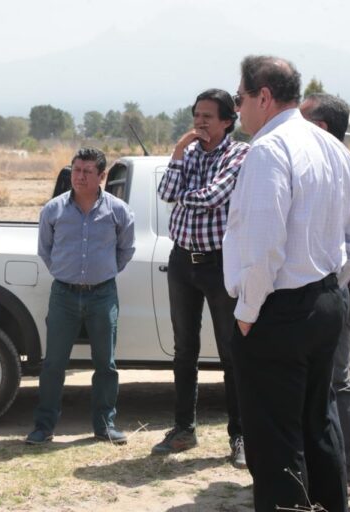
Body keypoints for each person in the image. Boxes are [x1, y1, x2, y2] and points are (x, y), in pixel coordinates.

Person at [224, 56, 350, 512]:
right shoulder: (332, 147)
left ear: (263, 96)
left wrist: (248, 314)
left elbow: (264, 246)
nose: (238, 110)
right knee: (318, 423)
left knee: (275, 443)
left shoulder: (269, 150)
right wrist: (331, 287)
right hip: (326, 301)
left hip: (279, 311)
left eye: (239, 99)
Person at [154, 89, 249, 468]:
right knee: (184, 349)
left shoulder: (239, 154)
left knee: (231, 351)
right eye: (196, 114)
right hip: (182, 262)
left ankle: (240, 436)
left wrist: (182, 193)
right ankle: (183, 429)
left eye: (208, 116)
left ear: (228, 121)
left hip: (219, 263)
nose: (200, 122)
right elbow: (165, 192)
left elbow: (214, 195)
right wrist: (177, 154)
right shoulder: (188, 153)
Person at [25, 147, 135, 446]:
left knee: (105, 363)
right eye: (76, 170)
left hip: (103, 295)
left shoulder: (117, 210)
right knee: (54, 364)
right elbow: (45, 250)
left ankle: (105, 425)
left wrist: (104, 273)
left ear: (102, 176)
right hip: (63, 294)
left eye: (88, 171)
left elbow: (126, 250)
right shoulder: (54, 210)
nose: (80, 176)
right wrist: (66, 273)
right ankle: (44, 426)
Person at [300, 92, 350, 498]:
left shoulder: (339, 168)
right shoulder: (322, 164)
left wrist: (331, 289)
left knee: (336, 382)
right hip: (326, 293)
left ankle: (348, 473)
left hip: (336, 293)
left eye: (302, 119)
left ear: (321, 128)